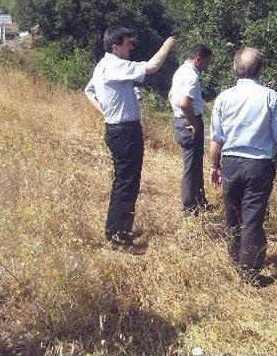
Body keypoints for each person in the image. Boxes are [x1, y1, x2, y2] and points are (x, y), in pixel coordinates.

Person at [209, 47, 277, 284]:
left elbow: (216, 139)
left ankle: (236, 259)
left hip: (230, 163)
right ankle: (249, 273)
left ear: (235, 68)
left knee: (233, 213)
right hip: (259, 166)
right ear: (259, 69)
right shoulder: (270, 97)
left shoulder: (223, 98)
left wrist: (213, 166)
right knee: (252, 217)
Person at [85, 26, 176, 254]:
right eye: (128, 43)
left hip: (120, 129)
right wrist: (168, 44)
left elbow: (89, 90)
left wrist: (106, 112)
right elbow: (153, 66)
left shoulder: (103, 66)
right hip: (124, 131)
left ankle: (118, 231)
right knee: (126, 184)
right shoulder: (113, 65)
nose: (131, 46)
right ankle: (118, 238)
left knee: (125, 182)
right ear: (115, 47)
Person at [169, 44, 212, 216]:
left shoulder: (180, 71)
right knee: (190, 167)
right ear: (198, 59)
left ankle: (200, 203)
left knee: (195, 165)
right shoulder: (191, 76)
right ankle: (188, 209)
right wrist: (194, 124)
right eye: (207, 62)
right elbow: (184, 103)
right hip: (189, 122)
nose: (207, 66)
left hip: (182, 120)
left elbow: (170, 96)